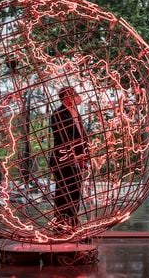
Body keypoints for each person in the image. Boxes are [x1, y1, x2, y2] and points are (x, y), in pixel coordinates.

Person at [49, 86, 88, 230]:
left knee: (76, 190)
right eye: (74, 94)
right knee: (63, 192)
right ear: (66, 96)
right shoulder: (58, 114)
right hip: (63, 159)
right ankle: (60, 224)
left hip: (76, 158)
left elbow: (81, 136)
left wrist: (84, 155)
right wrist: (76, 155)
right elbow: (63, 138)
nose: (78, 96)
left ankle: (72, 222)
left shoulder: (75, 113)